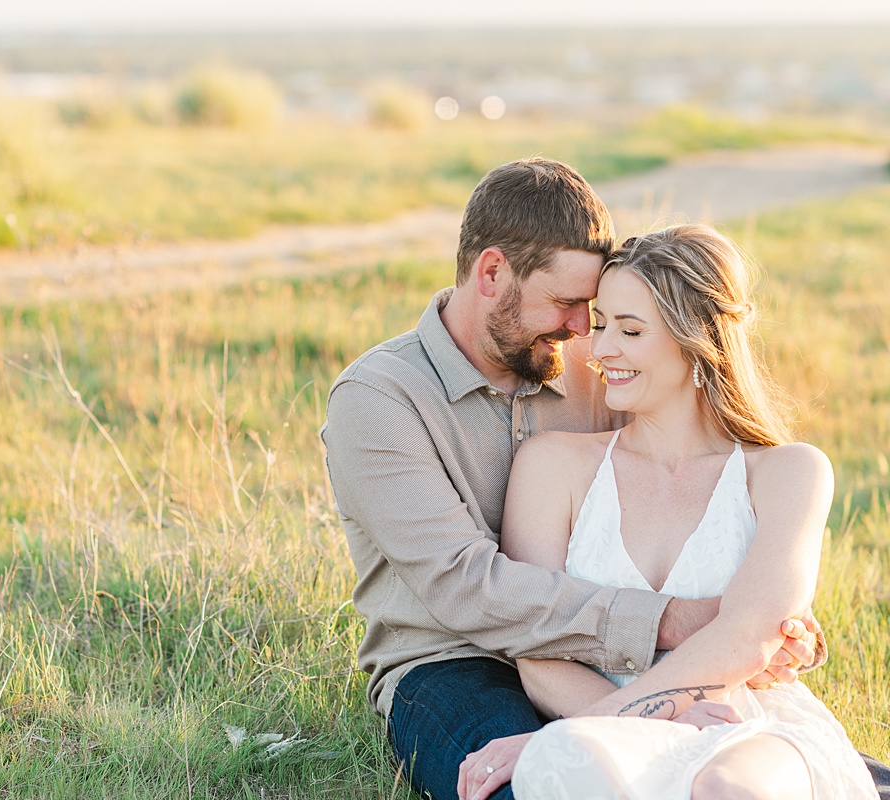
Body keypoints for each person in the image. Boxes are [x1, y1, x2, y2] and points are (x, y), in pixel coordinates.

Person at [320, 157, 861, 800]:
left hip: (622, 664)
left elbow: (688, 474)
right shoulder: (380, 400)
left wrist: (766, 622)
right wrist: (682, 625)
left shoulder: (595, 367)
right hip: (457, 660)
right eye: (569, 304)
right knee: (523, 787)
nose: (586, 332)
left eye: (601, 313)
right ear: (492, 273)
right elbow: (463, 586)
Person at [457, 225, 880, 799]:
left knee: (727, 788)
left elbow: (749, 636)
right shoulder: (552, 467)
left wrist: (659, 716)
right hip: (605, 731)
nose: (601, 349)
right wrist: (660, 721)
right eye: (602, 324)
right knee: (561, 762)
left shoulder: (790, 473)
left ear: (697, 338)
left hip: (750, 725)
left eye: (630, 330)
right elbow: (537, 652)